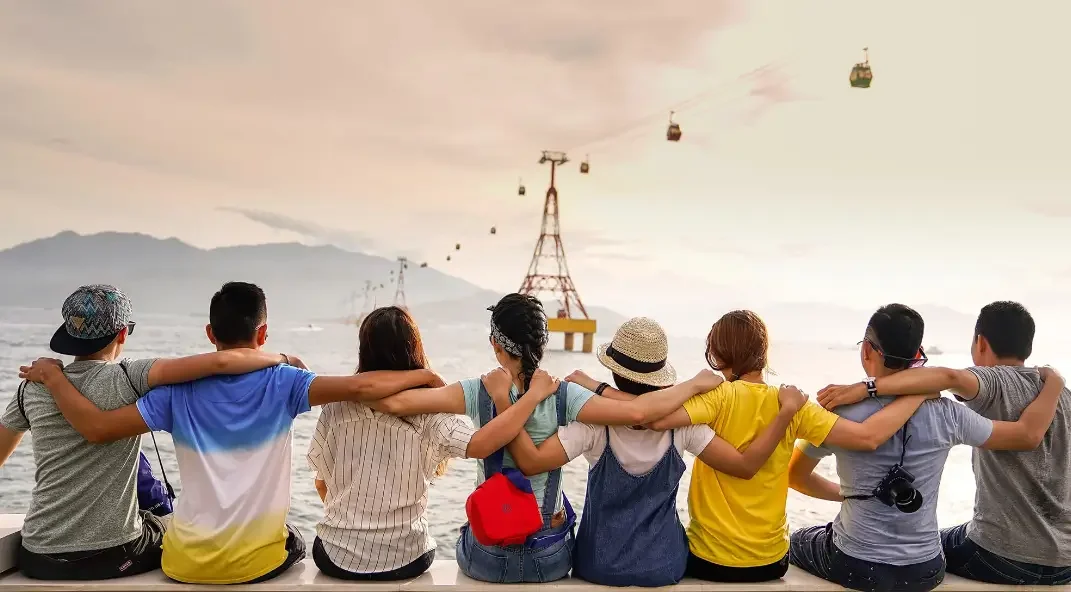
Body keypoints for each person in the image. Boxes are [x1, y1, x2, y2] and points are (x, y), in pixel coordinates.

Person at [18, 282, 445, 585]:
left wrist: (55, 379)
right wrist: (425, 376)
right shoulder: (286, 383)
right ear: (263, 333)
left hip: (183, 564)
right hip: (256, 565)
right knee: (294, 538)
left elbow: (100, 427)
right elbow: (364, 387)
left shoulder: (175, 392)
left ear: (210, 334)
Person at [365, 294, 726, 584]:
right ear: (542, 344)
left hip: (489, 556)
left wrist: (426, 375)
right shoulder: (565, 395)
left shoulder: (478, 390)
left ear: (495, 345)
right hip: (548, 556)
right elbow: (638, 413)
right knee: (560, 509)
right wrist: (693, 385)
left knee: (467, 528)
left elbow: (392, 402)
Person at [0, 284, 290, 580]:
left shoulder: (31, 388)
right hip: (109, 555)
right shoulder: (130, 378)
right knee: (169, 525)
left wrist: (52, 376)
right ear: (122, 334)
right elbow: (221, 362)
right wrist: (283, 359)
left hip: (37, 555)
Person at [494, 316, 810, 587]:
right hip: (664, 566)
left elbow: (532, 462)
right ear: (659, 376)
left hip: (598, 565)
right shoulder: (683, 426)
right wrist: (784, 413)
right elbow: (743, 466)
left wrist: (506, 404)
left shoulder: (594, 425)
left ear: (615, 372)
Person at [643, 310, 937, 583]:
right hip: (771, 563)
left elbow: (652, 417)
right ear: (763, 353)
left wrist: (693, 386)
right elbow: (866, 437)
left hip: (710, 560)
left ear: (717, 354)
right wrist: (917, 393)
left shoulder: (716, 397)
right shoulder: (795, 404)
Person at [788, 304, 1066, 592]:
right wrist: (1055, 383)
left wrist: (851, 495)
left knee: (796, 540)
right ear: (917, 355)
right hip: (926, 569)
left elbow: (795, 475)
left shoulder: (837, 411)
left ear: (867, 350)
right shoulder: (948, 413)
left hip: (856, 565)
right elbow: (1023, 434)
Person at [306, 306, 558, 581]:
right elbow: (481, 444)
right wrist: (530, 397)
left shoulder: (335, 409)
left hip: (336, 556)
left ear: (363, 351)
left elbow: (321, 484)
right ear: (414, 350)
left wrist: (356, 526)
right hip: (406, 558)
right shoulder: (431, 414)